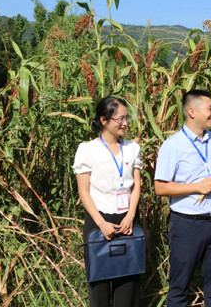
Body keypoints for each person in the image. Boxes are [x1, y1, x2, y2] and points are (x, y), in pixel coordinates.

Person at [154, 89, 211, 307]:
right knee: (180, 285)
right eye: (209, 108)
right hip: (187, 223)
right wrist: (197, 187)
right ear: (192, 111)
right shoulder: (173, 145)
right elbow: (160, 187)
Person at [73, 96, 142, 307]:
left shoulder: (132, 148)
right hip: (99, 220)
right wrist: (101, 223)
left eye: (126, 118)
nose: (125, 123)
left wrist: (130, 216)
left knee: (127, 282)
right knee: (99, 285)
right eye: (119, 119)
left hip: (127, 219)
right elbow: (83, 191)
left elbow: (136, 185)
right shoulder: (87, 149)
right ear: (104, 120)